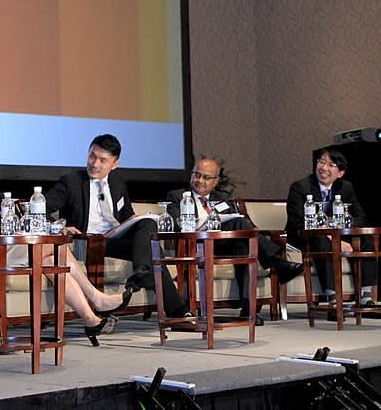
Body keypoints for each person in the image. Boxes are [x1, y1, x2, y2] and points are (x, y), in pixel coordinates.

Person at [0, 143, 131, 346]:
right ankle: (96, 299)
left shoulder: (4, 199)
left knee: (54, 256)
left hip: (16, 251)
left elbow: (24, 224)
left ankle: (91, 319)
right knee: (53, 249)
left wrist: (55, 228)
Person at [44, 134, 192, 320]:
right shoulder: (71, 181)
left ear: (115, 164)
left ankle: (143, 271)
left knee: (147, 226)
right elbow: (41, 210)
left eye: (103, 160)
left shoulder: (118, 183)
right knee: (152, 252)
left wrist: (133, 223)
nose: (95, 164)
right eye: (92, 156)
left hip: (113, 239)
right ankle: (177, 310)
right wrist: (61, 228)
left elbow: (127, 217)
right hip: (87, 241)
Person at [167, 158, 303, 326]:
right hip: (197, 245)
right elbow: (176, 222)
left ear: (215, 182)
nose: (199, 180)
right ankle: (278, 262)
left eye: (206, 177)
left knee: (243, 246)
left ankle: (248, 310)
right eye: (197, 175)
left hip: (222, 244)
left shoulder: (221, 198)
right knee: (240, 225)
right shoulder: (177, 196)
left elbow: (231, 219)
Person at [286, 149, 377, 320]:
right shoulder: (300, 187)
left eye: (330, 165)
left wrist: (343, 233)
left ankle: (365, 298)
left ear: (340, 173)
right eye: (321, 162)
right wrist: (333, 239)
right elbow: (297, 222)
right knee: (321, 240)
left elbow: (360, 217)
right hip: (303, 237)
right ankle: (333, 300)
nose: (323, 168)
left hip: (334, 234)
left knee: (365, 237)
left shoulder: (346, 187)